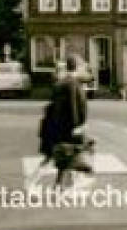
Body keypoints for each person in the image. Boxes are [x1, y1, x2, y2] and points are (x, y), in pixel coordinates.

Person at [38, 55, 89, 187]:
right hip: (69, 127)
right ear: (77, 66)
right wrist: (76, 126)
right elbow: (72, 107)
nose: (84, 69)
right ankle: (67, 184)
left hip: (62, 127)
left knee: (66, 159)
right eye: (83, 66)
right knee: (70, 157)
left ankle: (62, 185)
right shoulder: (72, 83)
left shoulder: (66, 82)